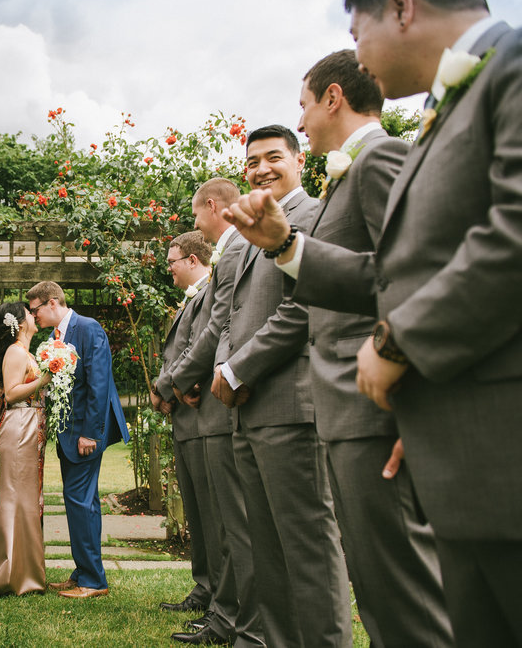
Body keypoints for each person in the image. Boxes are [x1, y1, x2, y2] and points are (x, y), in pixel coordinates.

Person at [225, 0, 522, 644]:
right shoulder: (446, 111)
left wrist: (396, 346)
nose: (358, 55)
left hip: (486, 436)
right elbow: (392, 270)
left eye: (356, 32)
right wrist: (286, 245)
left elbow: (510, 238)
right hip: (444, 435)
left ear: (401, 5)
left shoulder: (512, 69)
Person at [294, 49, 452, 647]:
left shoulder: (381, 156)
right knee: (379, 590)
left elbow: (410, 272)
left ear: (333, 98)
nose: (302, 121)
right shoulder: (343, 175)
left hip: (377, 407)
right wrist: (289, 249)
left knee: (404, 593)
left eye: (304, 106)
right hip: (349, 409)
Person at [215, 125, 351, 647]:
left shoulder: (314, 216)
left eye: (274, 157)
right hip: (246, 410)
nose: (261, 169)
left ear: (298, 161)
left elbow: (304, 306)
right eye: (252, 162)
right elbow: (230, 313)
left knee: (309, 548)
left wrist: (238, 368)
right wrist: (225, 365)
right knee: (267, 549)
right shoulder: (252, 225)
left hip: (292, 404)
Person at [156, 180, 264, 648]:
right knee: (210, 518)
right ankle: (218, 601)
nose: (196, 223)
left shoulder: (237, 248)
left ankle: (232, 614)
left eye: (197, 214)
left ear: (212, 206)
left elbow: (218, 328)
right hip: (197, 409)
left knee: (227, 521)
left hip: (215, 410)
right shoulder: (228, 252)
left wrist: (174, 383)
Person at [26, 280, 129, 599]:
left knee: (80, 503)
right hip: (69, 433)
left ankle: (94, 582)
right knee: (81, 504)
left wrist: (89, 433)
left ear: (52, 302)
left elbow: (99, 384)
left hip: (85, 433)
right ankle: (84, 570)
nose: (34, 316)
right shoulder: (55, 337)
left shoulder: (88, 328)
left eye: (36, 310)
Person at [148, 231, 225, 644]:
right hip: (186, 415)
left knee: (213, 514)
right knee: (197, 510)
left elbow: (199, 347)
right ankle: (205, 586)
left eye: (173, 260)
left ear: (193, 259)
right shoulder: (193, 295)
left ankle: (220, 601)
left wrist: (169, 387)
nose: (169, 266)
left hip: (201, 412)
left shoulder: (211, 289)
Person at [0, 301, 52, 598]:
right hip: (19, 427)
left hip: (31, 428)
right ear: (19, 324)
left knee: (28, 499)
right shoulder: (15, 352)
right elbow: (11, 392)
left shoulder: (26, 352)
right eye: (30, 313)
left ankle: (25, 571)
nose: (35, 315)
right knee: (14, 497)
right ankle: (3, 573)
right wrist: (44, 379)